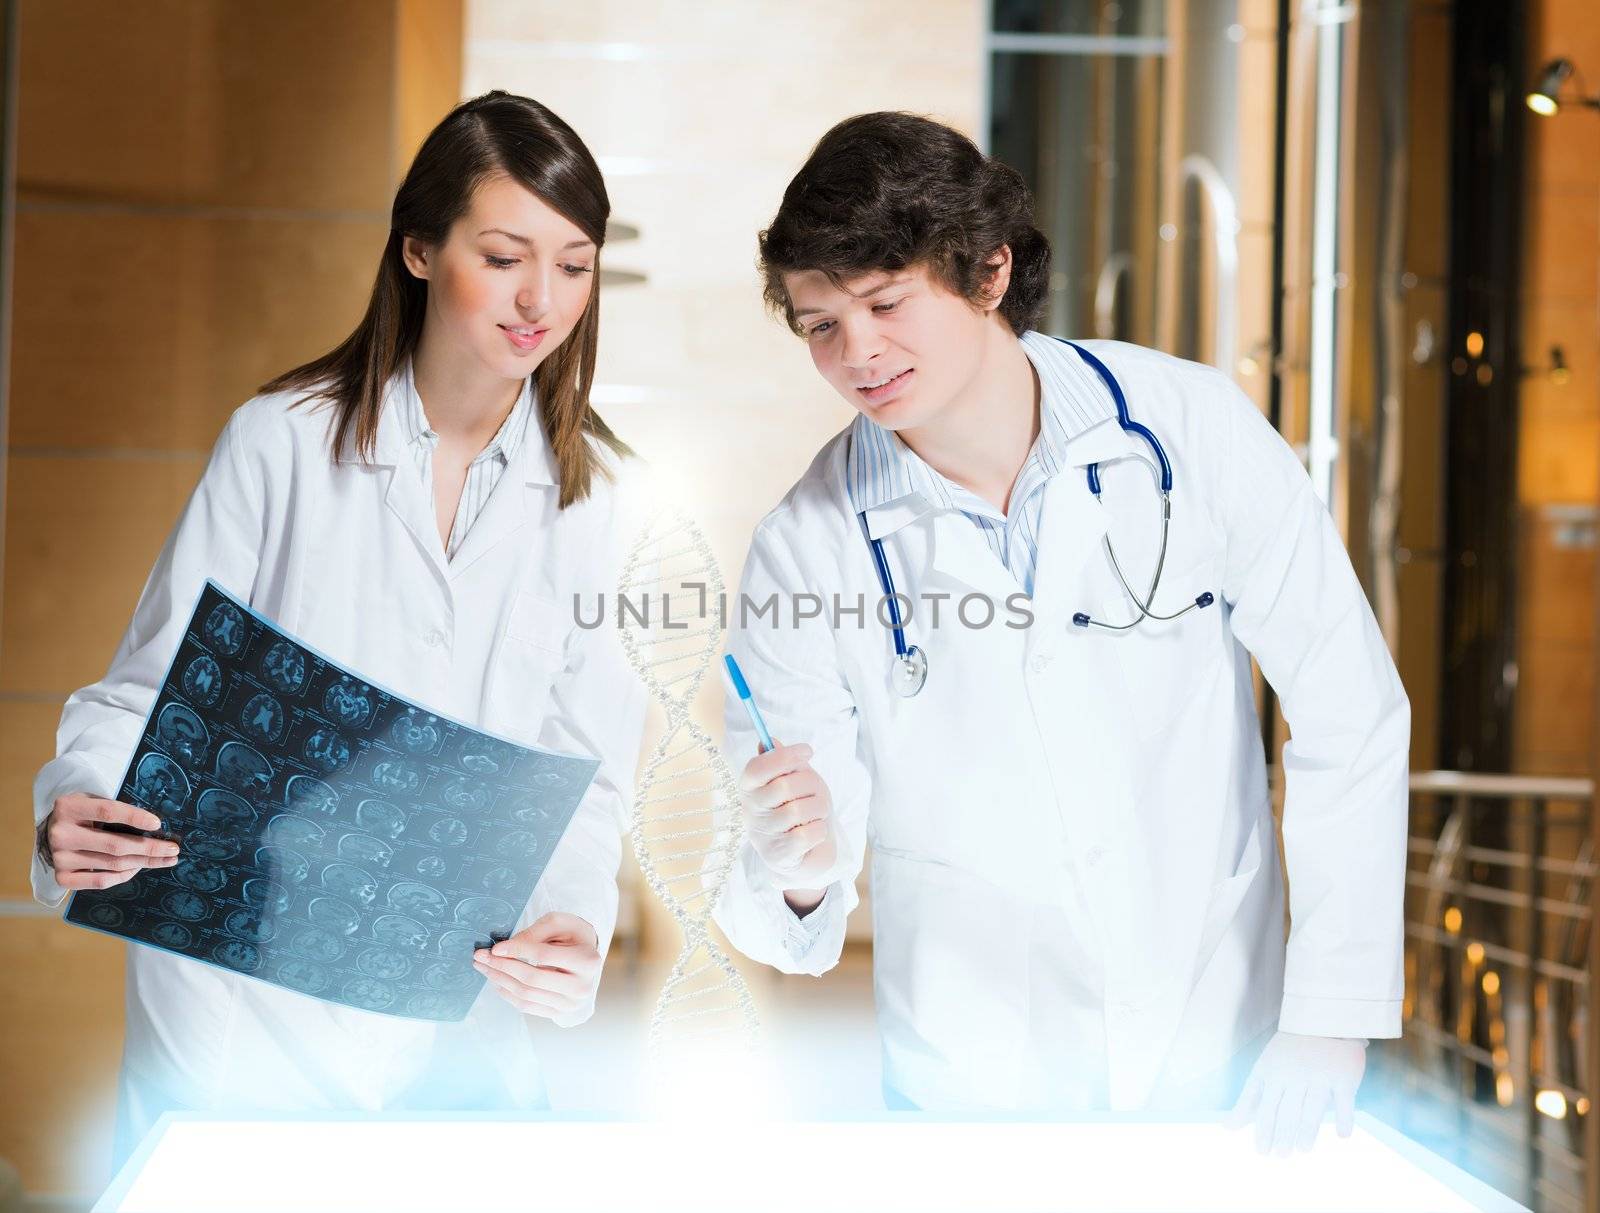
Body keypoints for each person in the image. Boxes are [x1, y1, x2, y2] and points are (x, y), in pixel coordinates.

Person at [712, 112, 1409, 1155]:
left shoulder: (1190, 429)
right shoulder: (804, 546)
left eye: (886, 302)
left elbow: (1347, 707)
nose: (857, 353)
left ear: (988, 273)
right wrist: (799, 866)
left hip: (1221, 1051)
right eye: (820, 326)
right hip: (972, 1084)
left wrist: (1332, 1013)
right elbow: (786, 897)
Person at [29, 91, 647, 1160]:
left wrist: (574, 925)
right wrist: (73, 807)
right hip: (239, 998)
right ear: (418, 248)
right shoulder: (279, 444)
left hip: (453, 994)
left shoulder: (602, 500)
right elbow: (146, 691)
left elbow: (585, 771)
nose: (540, 299)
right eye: (503, 256)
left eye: (574, 263)